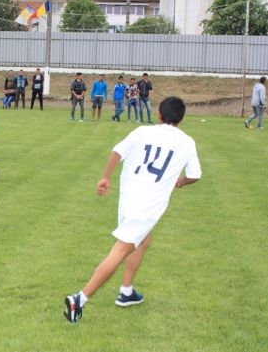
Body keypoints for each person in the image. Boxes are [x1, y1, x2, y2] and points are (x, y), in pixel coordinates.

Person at [64, 96, 202, 323]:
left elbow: (118, 152)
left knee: (143, 240)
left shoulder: (141, 132)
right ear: (182, 119)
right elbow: (195, 175)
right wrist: (181, 181)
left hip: (128, 199)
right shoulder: (187, 142)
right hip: (147, 207)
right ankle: (79, 298)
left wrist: (105, 177)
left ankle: (126, 292)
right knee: (120, 251)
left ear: (158, 115)